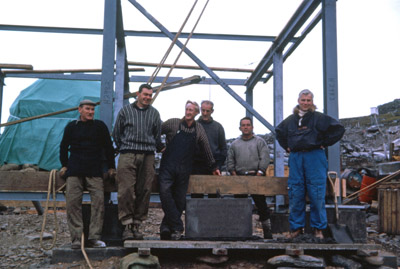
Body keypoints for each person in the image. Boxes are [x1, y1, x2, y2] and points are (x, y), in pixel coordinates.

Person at [275, 89, 345, 239]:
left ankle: (318, 229)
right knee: (295, 192)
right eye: (303, 100)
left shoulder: (319, 118)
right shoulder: (290, 120)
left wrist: (324, 143)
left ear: (312, 102)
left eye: (308, 100)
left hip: (315, 156)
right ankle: (296, 229)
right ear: (298, 100)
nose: (305, 103)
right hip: (296, 157)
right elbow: (279, 131)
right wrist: (287, 145)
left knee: (317, 192)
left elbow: (339, 129)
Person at [158, 100, 221, 240]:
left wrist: (213, 167)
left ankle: (166, 228)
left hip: (184, 168)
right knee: (165, 194)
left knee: (179, 200)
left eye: (191, 110)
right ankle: (177, 226)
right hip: (167, 166)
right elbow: (156, 130)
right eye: (187, 109)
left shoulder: (199, 129)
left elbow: (206, 149)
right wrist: (159, 145)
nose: (188, 112)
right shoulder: (173, 123)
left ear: (196, 113)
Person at [59, 99, 115, 249]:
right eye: (88, 109)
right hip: (75, 171)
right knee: (72, 204)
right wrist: (64, 165)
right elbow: (63, 146)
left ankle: (94, 238)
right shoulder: (71, 127)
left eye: (92, 109)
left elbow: (109, 148)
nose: (91, 112)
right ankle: (77, 239)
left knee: (98, 204)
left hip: (94, 171)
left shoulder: (100, 127)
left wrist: (111, 167)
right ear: (80, 110)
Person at [112, 84, 162, 241]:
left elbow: (157, 135)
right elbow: (117, 133)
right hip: (128, 154)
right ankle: (127, 225)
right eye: (145, 94)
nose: (147, 97)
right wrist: (125, 148)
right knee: (126, 189)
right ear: (138, 94)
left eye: (150, 95)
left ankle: (137, 224)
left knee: (145, 189)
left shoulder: (154, 114)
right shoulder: (125, 111)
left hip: (147, 155)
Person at [226, 117, 272, 239]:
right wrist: (235, 176)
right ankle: (240, 233)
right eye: (243, 125)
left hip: (256, 177)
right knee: (239, 206)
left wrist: (259, 174)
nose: (246, 127)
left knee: (262, 206)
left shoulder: (259, 142)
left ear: (252, 127)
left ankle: (267, 232)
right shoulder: (235, 144)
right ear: (240, 128)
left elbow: (265, 158)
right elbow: (230, 161)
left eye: (248, 125)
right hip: (240, 178)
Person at [192, 100, 227, 174]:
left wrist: (218, 165)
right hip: (196, 166)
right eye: (203, 110)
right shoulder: (193, 126)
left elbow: (223, 149)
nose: (205, 113)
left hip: (214, 167)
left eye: (207, 111)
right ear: (200, 109)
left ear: (212, 111)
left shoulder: (218, 127)